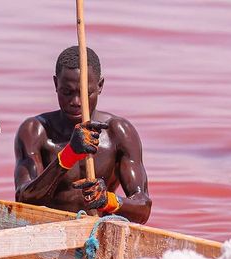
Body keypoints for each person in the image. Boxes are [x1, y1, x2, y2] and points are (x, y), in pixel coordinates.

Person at [14, 46, 151, 224]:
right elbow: (24, 200)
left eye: (85, 93)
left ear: (100, 86)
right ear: (56, 84)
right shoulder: (35, 131)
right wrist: (69, 154)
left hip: (99, 235)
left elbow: (143, 208)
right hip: (50, 232)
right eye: (67, 92)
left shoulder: (119, 133)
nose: (76, 102)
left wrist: (108, 201)